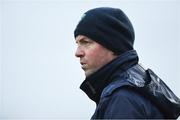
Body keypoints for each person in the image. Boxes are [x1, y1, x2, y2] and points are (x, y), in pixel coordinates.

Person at [74, 7, 180, 119]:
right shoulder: (132, 90)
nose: (77, 53)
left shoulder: (123, 99)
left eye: (85, 42)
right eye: (77, 44)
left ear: (113, 45)